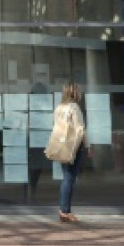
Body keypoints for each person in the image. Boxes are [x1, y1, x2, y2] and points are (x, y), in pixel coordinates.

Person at [52, 83, 87, 223]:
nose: (81, 93)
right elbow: (80, 129)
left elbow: (57, 127)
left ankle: (64, 210)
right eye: (79, 91)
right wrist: (86, 146)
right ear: (74, 93)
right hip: (74, 146)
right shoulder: (74, 107)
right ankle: (65, 211)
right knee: (69, 178)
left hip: (62, 145)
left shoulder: (59, 107)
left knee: (67, 176)